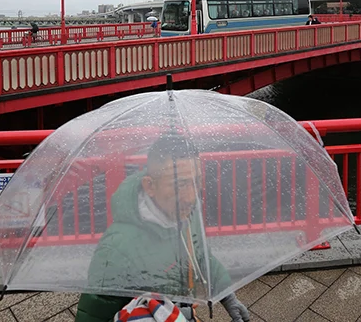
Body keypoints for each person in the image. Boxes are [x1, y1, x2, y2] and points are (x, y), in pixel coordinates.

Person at [74, 134, 250, 322]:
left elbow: (200, 256)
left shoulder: (186, 216)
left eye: (196, 181)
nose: (192, 197)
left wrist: (227, 296)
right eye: (180, 184)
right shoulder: (116, 250)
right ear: (149, 186)